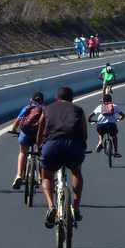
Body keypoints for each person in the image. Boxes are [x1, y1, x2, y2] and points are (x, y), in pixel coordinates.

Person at [37, 86, 88, 227]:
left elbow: (41, 129)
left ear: (56, 98)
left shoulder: (47, 109)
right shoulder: (78, 109)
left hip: (52, 146)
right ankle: (76, 208)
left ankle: (51, 206)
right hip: (73, 146)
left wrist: (39, 146)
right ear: (72, 98)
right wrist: (82, 145)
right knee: (76, 171)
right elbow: (84, 132)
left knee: (47, 176)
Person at [11, 92, 44, 189]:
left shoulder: (27, 108)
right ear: (42, 100)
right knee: (41, 154)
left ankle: (19, 175)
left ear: (31, 100)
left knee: (23, 152)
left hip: (26, 134)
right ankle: (41, 177)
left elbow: (18, 121)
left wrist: (13, 130)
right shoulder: (45, 109)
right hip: (39, 135)